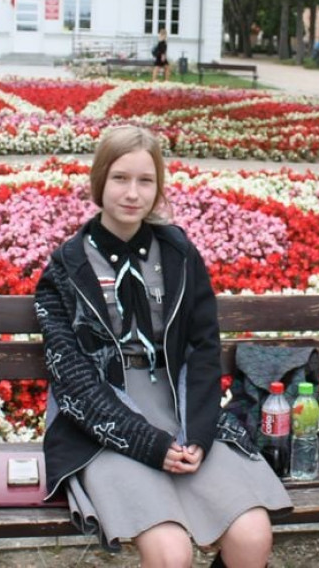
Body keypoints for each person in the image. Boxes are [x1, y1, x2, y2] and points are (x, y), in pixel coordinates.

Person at [35, 125, 291, 567]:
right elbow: (73, 380)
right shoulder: (66, 268)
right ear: (99, 180)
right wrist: (146, 442)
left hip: (183, 414)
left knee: (252, 536)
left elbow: (204, 349)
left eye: (145, 180)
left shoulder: (178, 254)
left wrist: (199, 436)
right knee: (171, 552)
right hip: (103, 427)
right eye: (120, 178)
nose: (133, 193)